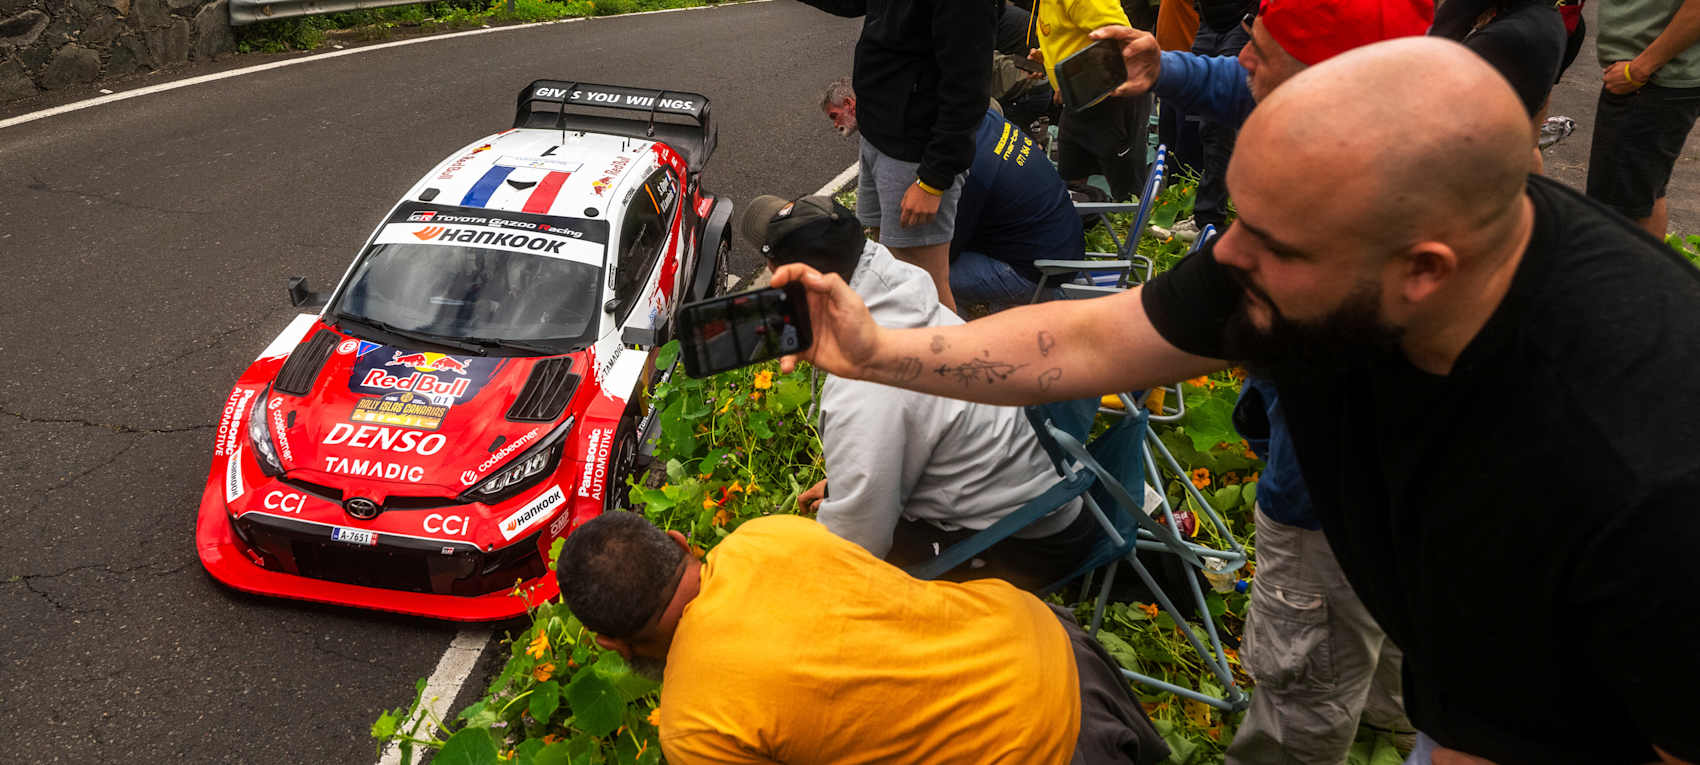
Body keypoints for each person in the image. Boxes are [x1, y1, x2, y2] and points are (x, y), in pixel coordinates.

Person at [774, 38, 1700, 764]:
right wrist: (881, 351)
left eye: (1273, 246)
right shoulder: (1316, 245)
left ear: (1423, 271)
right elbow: (1088, 339)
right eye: (1238, 221)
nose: (1225, 261)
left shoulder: (1644, 475)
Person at [1079, 2, 1438, 760]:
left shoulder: (1337, 235)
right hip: (1381, 489)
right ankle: (1393, 715)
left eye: (1262, 51)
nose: (1241, 58)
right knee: (1382, 610)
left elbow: (1148, 332)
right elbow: (1244, 81)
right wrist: (1165, 66)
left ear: (1326, 89)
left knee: (1299, 673)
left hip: (1321, 498)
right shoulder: (1381, 127)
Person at [556, 511, 1170, 764]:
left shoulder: (693, 727)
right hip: (1049, 641)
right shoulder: (763, 534)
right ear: (680, 544)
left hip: (1034, 750)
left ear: (611, 644)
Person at [738, 192, 1096, 590]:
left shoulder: (863, 392)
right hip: (1047, 499)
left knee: (807, 571)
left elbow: (855, 546)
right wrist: (849, 486)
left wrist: (846, 508)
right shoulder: (908, 297)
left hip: (1019, 545)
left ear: (786, 280)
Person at [793, 0, 994, 311]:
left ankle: (944, 344)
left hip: (913, 156)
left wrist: (933, 179)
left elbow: (968, 87)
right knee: (886, 265)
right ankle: (899, 339)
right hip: (878, 139)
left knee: (924, 286)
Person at [822, 81, 1086, 307]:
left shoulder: (963, 167)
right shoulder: (982, 117)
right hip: (1066, 245)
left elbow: (945, 248)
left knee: (923, 278)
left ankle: (962, 338)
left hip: (1040, 273)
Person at [1585, 0, 1700, 238]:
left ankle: (1624, 263)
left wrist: (1640, 69)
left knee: (1619, 211)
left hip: (1651, 79)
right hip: (1652, 76)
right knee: (1640, 197)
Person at [1028, 0, 1151, 201]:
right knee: (1070, 189)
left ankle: (1133, 221)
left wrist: (1076, 84)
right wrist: (1047, 59)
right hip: (1077, 104)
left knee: (1129, 196)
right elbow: (1071, 35)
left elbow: (1126, 45)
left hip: (1113, 101)